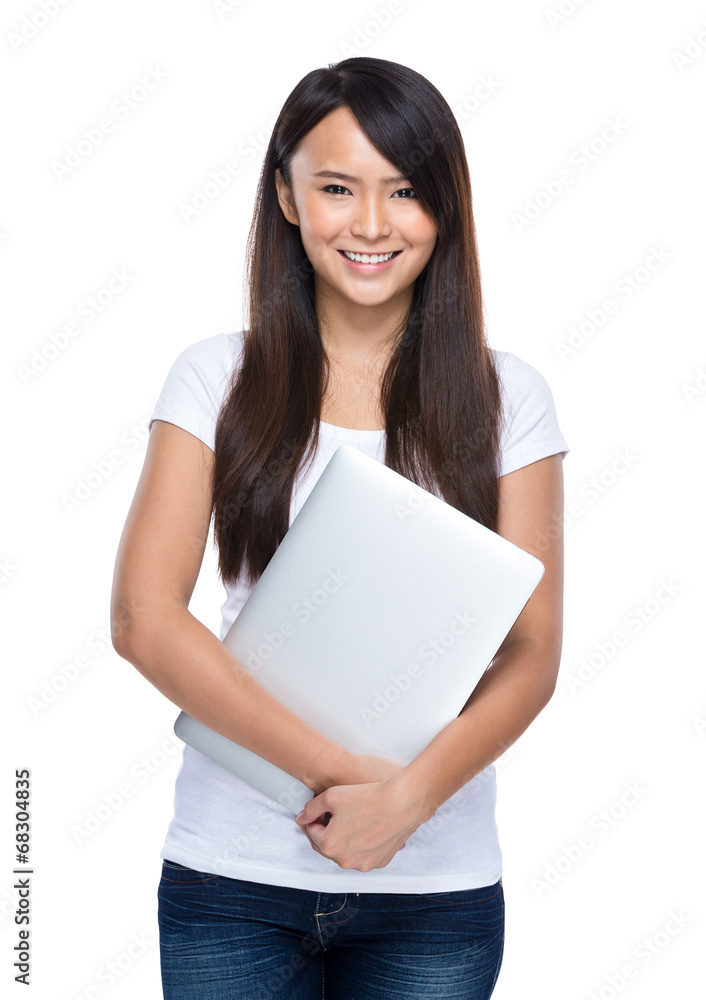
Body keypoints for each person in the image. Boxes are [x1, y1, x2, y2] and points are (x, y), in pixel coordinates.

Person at [111, 56, 569, 1000]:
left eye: (405, 191)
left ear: (447, 205)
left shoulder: (508, 398)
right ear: (286, 197)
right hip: (231, 877)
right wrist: (345, 778)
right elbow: (143, 618)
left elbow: (532, 653)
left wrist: (410, 800)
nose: (370, 224)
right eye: (335, 188)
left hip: (435, 892)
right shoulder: (215, 378)